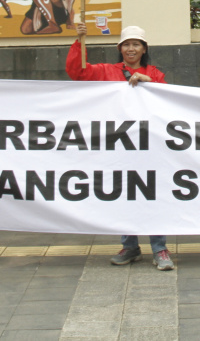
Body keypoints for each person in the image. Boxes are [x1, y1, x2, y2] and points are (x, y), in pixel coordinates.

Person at [66, 23, 173, 270]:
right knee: (124, 194)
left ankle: (160, 248)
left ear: (144, 49)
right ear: (119, 48)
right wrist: (79, 40)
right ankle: (130, 246)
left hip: (148, 146)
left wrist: (149, 82)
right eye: (126, 44)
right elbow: (77, 72)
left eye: (136, 44)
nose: (131, 48)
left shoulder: (155, 74)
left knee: (152, 195)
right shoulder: (106, 71)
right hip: (119, 146)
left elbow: (168, 101)